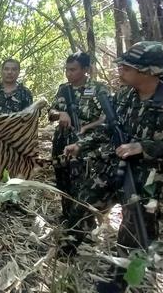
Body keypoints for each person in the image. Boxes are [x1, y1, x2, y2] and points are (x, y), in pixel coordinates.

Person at [64, 41, 163, 291]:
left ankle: (118, 281)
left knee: (135, 230)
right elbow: (110, 129)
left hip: (150, 178)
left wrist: (146, 147)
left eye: (126, 67)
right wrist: (83, 144)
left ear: (149, 72)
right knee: (83, 205)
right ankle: (65, 251)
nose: (119, 70)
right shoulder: (124, 95)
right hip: (113, 166)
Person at [48, 52, 109, 220]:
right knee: (62, 178)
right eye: (67, 69)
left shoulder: (98, 89)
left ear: (86, 69)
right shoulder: (63, 89)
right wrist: (60, 113)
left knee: (82, 182)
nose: (68, 73)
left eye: (73, 69)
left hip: (86, 143)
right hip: (62, 140)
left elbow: (106, 117)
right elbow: (50, 112)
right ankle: (66, 216)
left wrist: (86, 127)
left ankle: (84, 224)